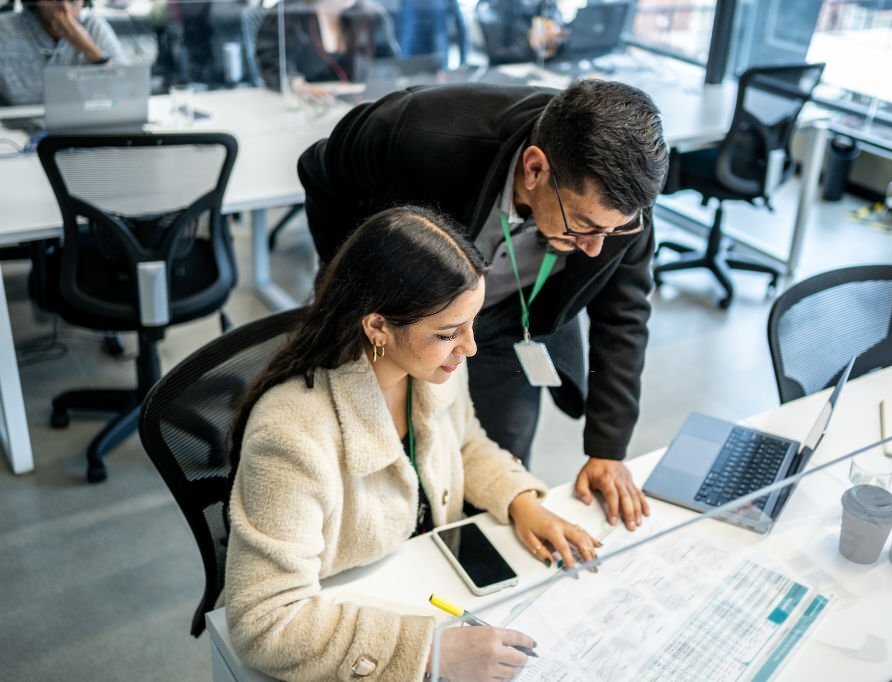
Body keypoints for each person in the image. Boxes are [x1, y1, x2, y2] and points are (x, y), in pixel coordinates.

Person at [224, 205, 601, 680]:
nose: (470, 348)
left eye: (471, 324)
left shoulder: (433, 371)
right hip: (346, 614)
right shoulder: (291, 434)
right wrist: (429, 652)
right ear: (378, 326)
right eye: (447, 333)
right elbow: (265, 622)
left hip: (421, 576)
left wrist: (522, 500)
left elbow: (465, 444)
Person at [298, 79, 670, 532]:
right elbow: (321, 169)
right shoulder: (425, 134)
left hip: (515, 320)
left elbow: (624, 317)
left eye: (612, 232)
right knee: (370, 458)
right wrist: (358, 286)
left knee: (490, 463)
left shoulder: (620, 215)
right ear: (535, 169)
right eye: (583, 226)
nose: (595, 249)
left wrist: (607, 450)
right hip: (400, 318)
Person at [255, 0, 399, 98]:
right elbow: (270, 59)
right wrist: (297, 86)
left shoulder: (372, 15)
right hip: (304, 106)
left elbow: (389, 67)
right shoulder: (290, 12)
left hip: (357, 105)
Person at [0, 0, 127, 105]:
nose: (65, 9)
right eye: (55, 0)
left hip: (81, 124)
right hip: (16, 127)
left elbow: (128, 86)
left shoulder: (93, 25)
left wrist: (89, 49)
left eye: (73, 1)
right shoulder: (5, 29)